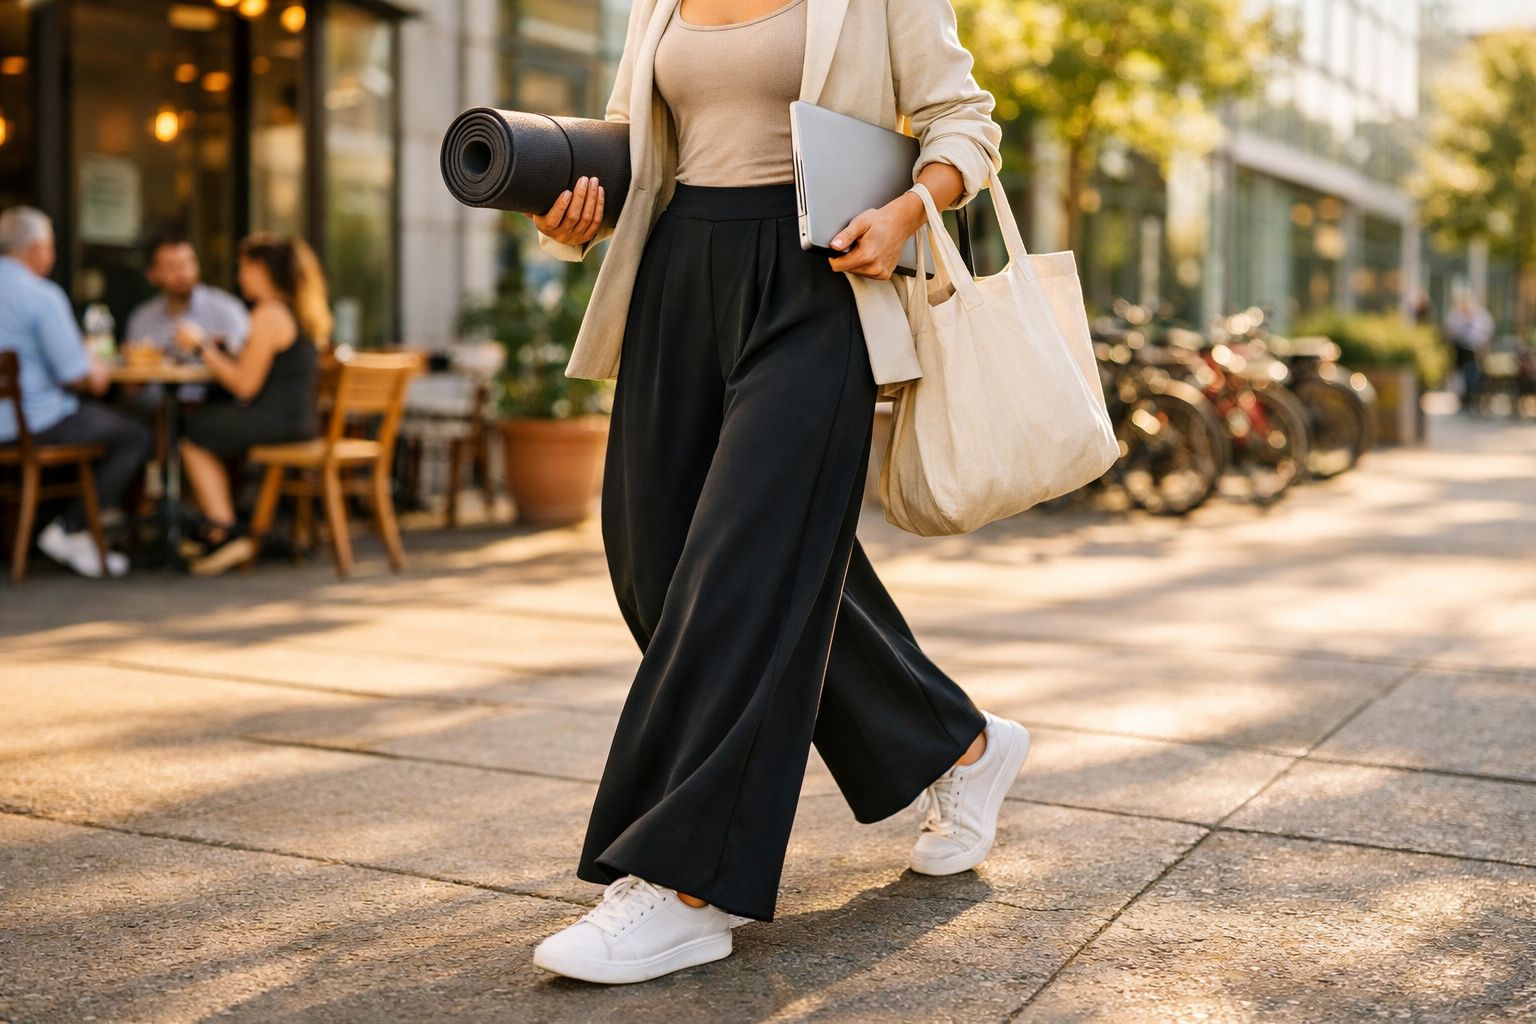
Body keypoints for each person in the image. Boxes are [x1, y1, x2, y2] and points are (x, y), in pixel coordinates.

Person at [523, 0, 1029, 984]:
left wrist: (905, 210)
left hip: (816, 282)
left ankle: (681, 881)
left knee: (745, 564)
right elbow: (636, 135)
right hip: (676, 275)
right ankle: (959, 740)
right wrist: (568, 204)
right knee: (658, 564)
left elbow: (966, 122)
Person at [0, 205, 150, 578]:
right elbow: (82, 378)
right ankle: (72, 528)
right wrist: (96, 363)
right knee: (135, 433)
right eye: (50, 247)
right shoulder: (41, 296)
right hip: (33, 425)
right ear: (36, 250)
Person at [176, 234, 328, 576]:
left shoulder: (269, 313)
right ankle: (219, 529)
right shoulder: (297, 310)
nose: (239, 277)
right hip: (299, 420)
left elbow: (244, 385)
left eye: (244, 268)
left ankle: (224, 530)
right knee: (212, 423)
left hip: (277, 422)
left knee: (195, 432)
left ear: (261, 269)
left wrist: (202, 347)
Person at [1444, 288, 1494, 411]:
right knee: (1460, 375)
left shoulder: (1481, 315)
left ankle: (1473, 396)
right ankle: (1463, 398)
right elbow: (1449, 331)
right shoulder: (1455, 315)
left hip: (1476, 351)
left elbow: (1487, 332)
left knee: (1474, 374)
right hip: (1460, 350)